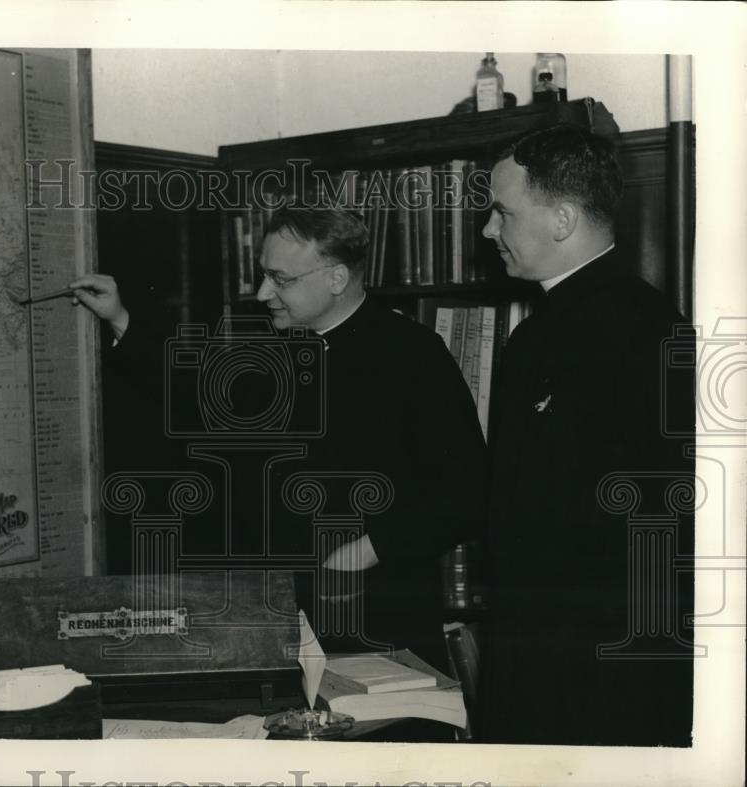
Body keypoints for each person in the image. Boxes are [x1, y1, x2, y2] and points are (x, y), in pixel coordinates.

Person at [72, 206, 488, 677]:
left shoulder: (415, 355)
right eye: (264, 276)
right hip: (272, 617)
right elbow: (194, 398)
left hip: (377, 616)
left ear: (336, 278)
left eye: (280, 279)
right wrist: (121, 317)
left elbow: (466, 492)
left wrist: (369, 549)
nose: (263, 292)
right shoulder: (274, 348)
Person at [481, 125, 695, 746]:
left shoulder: (651, 333)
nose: (490, 231)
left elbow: (666, 531)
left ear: (563, 219)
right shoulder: (532, 337)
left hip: (604, 676)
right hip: (534, 657)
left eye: (502, 212)